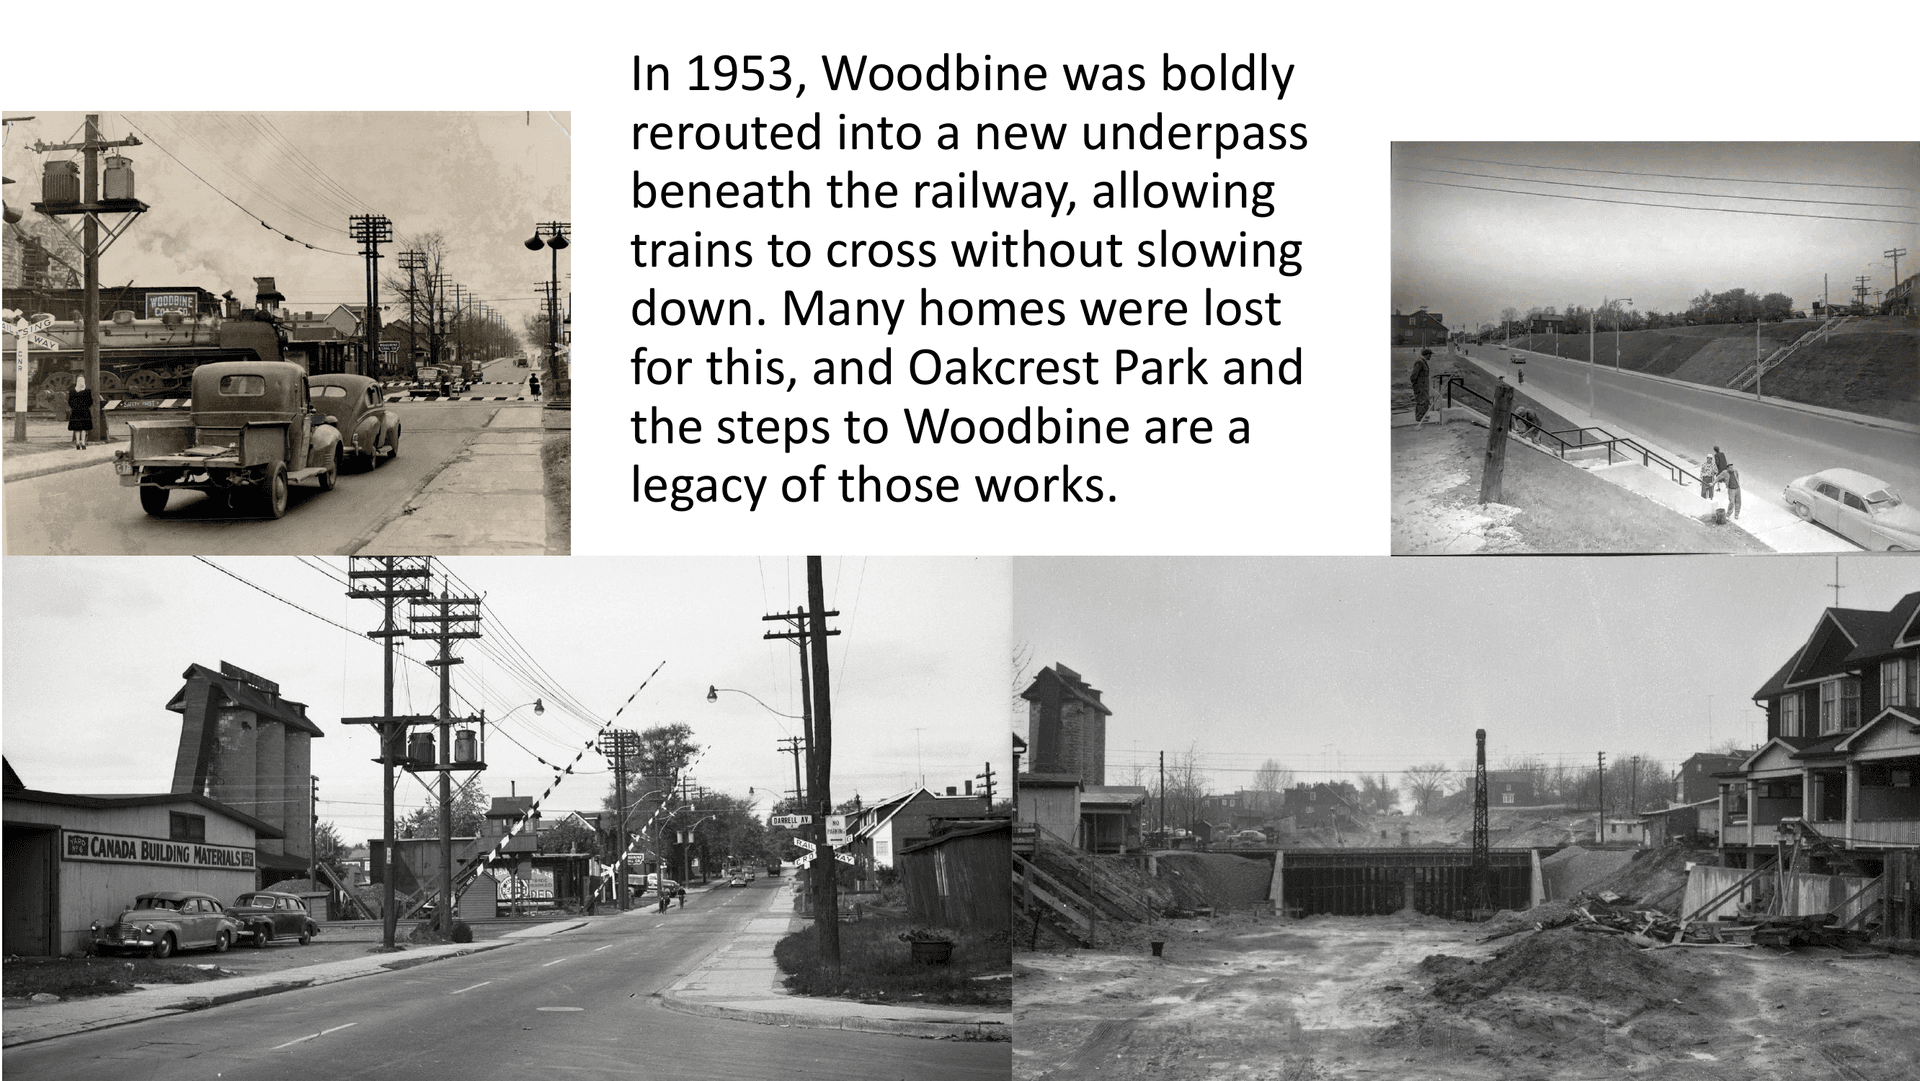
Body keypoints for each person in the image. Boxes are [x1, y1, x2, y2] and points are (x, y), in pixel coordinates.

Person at [67, 376, 94, 450]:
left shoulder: (72, 392)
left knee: (77, 428)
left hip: (75, 412)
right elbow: (90, 402)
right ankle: (83, 443)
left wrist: (75, 407)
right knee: (84, 428)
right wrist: (85, 407)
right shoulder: (88, 391)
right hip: (85, 412)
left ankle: (77, 442)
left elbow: (70, 402)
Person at [1410, 349, 1432, 423]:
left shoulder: (1423, 362)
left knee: (1425, 400)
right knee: (1421, 401)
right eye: (1430, 355)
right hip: (1420, 386)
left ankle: (1423, 415)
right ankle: (1419, 417)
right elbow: (1413, 376)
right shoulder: (1419, 362)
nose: (1431, 357)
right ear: (1427, 355)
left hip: (1424, 386)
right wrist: (1416, 386)